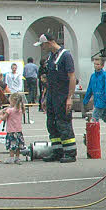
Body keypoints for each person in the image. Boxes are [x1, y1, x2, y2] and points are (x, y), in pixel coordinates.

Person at [34, 34, 78, 163]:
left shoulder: (65, 56)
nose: (42, 47)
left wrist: (70, 97)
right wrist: (46, 98)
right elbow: (50, 80)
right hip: (52, 95)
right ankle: (57, 151)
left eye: (42, 45)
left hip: (63, 95)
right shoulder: (51, 57)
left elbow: (72, 77)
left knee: (63, 123)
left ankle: (70, 152)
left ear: (49, 43)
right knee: (52, 123)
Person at [2, 92, 26, 164]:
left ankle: (11, 157)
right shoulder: (20, 109)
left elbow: (3, 118)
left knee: (11, 145)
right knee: (18, 144)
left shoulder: (9, 110)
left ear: (13, 101)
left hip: (11, 131)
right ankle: (17, 157)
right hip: (18, 130)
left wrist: (0, 114)